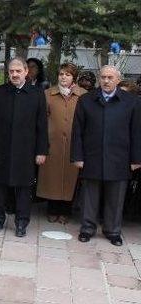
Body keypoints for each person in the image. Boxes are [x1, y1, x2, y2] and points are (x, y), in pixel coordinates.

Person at [71, 65, 141, 246]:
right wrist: (77, 156)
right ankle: (87, 228)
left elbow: (136, 132)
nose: (106, 81)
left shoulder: (131, 101)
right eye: (103, 77)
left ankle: (113, 231)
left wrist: (136, 159)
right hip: (92, 155)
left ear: (118, 80)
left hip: (120, 157)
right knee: (90, 196)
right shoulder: (86, 100)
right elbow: (77, 130)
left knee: (116, 197)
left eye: (110, 77)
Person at [0, 57, 48, 237]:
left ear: (26, 72)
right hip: (1, 147)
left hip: (26, 150)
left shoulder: (36, 94)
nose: (14, 74)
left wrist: (42, 150)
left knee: (23, 188)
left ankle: (21, 222)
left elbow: (42, 125)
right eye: (11, 71)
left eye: (18, 71)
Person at [36, 62, 86, 224]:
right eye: (61, 74)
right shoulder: (48, 94)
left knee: (70, 177)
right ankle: (52, 209)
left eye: (68, 74)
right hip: (53, 143)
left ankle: (65, 211)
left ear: (74, 77)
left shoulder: (83, 95)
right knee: (52, 176)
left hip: (74, 143)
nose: (64, 77)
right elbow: (41, 119)